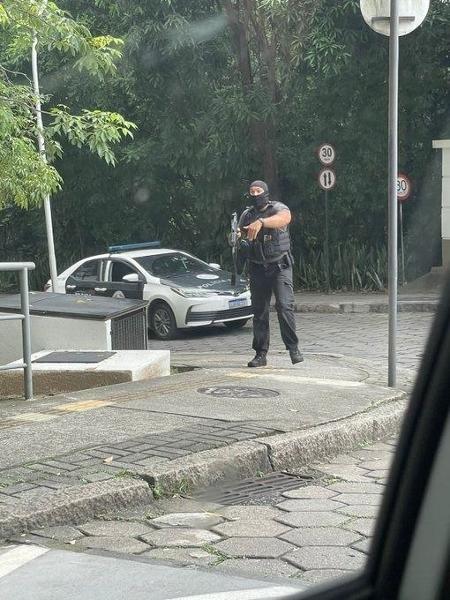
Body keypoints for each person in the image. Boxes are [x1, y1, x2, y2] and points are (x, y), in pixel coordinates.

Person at [238, 180, 303, 367]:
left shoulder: (278, 208)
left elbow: (285, 218)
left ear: (266, 192)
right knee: (259, 312)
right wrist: (237, 238)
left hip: (279, 265)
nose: (255, 194)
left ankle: (293, 349)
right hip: (257, 267)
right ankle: (260, 354)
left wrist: (261, 222)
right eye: (252, 191)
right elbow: (240, 235)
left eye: (258, 191)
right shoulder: (247, 215)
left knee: (284, 306)